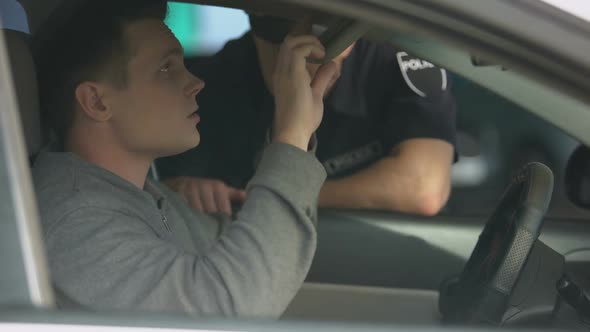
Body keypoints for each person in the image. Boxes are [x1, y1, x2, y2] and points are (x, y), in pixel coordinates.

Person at [32, 0, 338, 317]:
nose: (196, 83)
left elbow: (257, 259)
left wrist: (288, 139)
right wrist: (291, 135)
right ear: (96, 102)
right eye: (166, 68)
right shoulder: (76, 223)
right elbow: (228, 311)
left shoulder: (145, 195)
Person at [157, 14, 457, 217]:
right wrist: (179, 191)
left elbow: (423, 187)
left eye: (328, 41)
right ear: (259, 27)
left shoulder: (394, 64)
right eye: (287, 52)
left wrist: (276, 196)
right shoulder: (210, 84)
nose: (300, 68)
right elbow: (146, 183)